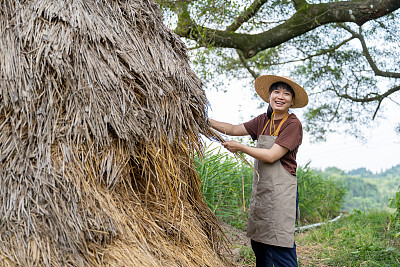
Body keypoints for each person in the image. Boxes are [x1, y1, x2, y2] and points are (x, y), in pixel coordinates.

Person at [209, 75, 308, 267]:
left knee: (279, 246)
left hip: (281, 193)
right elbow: (232, 128)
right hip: (263, 190)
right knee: (260, 244)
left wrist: (241, 147)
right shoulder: (264, 120)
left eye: (286, 94)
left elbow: (272, 155)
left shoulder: (292, 124)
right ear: (269, 96)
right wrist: (204, 120)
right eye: (276, 92)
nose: (280, 97)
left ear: (292, 101)